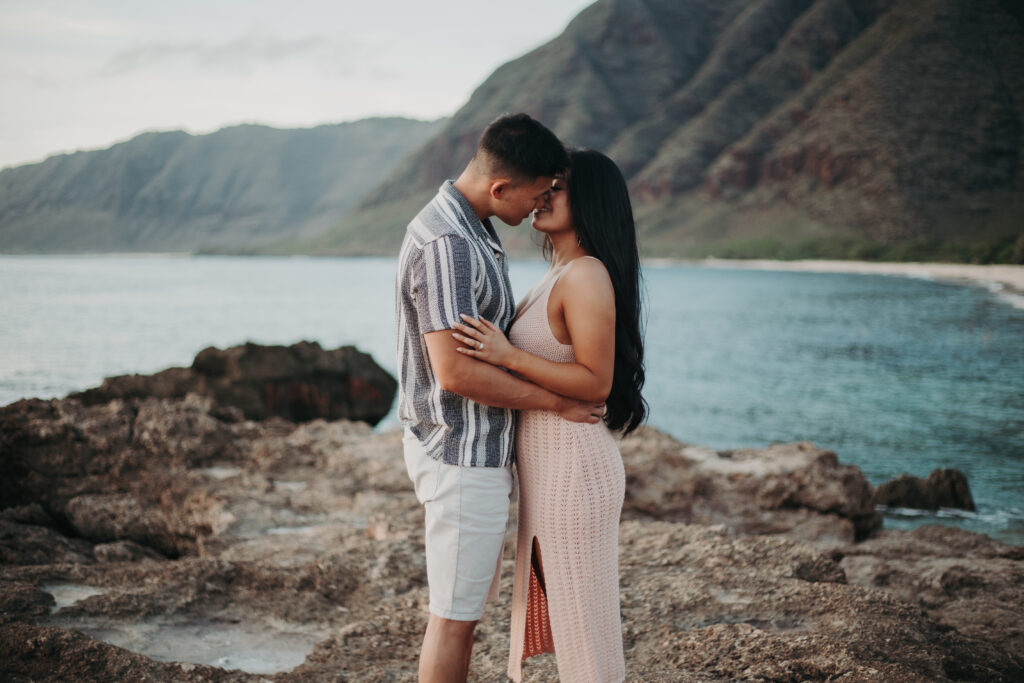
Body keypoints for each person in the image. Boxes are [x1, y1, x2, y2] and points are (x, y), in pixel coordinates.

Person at [395, 114, 606, 683]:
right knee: (455, 619)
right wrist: (556, 402)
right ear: (500, 188)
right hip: (460, 456)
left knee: (462, 613)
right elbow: (456, 373)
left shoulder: (475, 230)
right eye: (537, 194)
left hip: (474, 454)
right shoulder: (449, 245)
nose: (538, 207)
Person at [451, 148, 646, 682]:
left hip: (574, 470)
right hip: (551, 472)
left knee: (584, 629)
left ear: (589, 201)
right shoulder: (558, 273)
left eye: (556, 186)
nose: (543, 193)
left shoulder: (585, 275)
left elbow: (595, 382)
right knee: (561, 617)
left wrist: (507, 355)